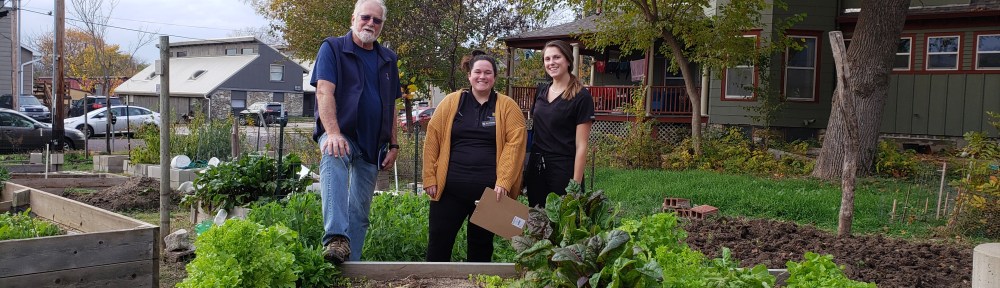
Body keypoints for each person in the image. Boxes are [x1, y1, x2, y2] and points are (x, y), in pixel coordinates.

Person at [311, 0, 401, 264]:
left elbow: (392, 105)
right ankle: (336, 238)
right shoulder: (333, 48)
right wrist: (334, 133)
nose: (370, 24)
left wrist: (394, 145)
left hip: (373, 142)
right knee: (332, 154)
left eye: (377, 21)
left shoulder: (388, 59)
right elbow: (323, 91)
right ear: (353, 18)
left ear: (382, 26)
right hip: (342, 133)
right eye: (366, 18)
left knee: (360, 211)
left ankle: (352, 265)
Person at [421, 53, 527, 262]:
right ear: (469, 75)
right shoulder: (452, 102)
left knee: (481, 247)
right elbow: (432, 138)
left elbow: (515, 145)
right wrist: (429, 177)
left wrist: (504, 181)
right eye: (477, 72)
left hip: (489, 194)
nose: (482, 76)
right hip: (448, 190)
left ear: (494, 78)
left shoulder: (507, 106)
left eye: (488, 72)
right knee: (438, 243)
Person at [524, 40, 596, 208]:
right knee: (538, 222)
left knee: (563, 224)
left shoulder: (581, 96)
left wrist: (575, 185)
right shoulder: (541, 90)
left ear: (568, 60)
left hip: (563, 169)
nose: (551, 63)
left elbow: (582, 145)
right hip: (537, 167)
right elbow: (534, 130)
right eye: (547, 59)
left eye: (557, 57)